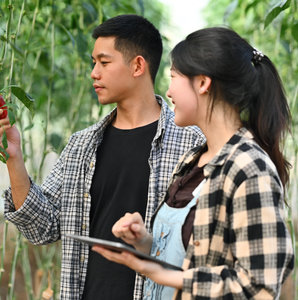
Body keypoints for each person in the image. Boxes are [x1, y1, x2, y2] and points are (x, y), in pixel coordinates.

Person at [0, 15, 204, 299]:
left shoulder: (192, 144)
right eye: (93, 63)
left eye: (104, 62)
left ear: (138, 65)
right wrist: (13, 159)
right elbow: (43, 228)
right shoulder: (82, 144)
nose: (93, 72)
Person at [92, 27, 295, 299]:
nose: (168, 89)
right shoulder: (192, 161)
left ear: (202, 83)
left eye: (174, 76)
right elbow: (193, 256)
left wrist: (164, 275)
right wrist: (145, 243)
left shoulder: (249, 168)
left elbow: (260, 286)